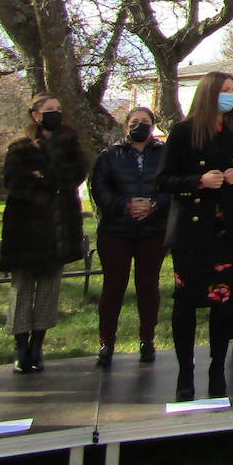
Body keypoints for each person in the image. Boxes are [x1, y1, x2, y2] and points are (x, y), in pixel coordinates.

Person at [155, 71, 233, 402]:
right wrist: (197, 181)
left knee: (223, 305)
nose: (230, 96)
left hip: (227, 233)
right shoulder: (184, 132)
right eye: (224, 90)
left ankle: (217, 369)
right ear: (209, 93)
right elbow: (163, 179)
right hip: (192, 234)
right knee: (186, 305)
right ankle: (185, 371)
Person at [0, 93, 91, 373]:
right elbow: (15, 182)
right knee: (22, 288)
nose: (56, 113)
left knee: (49, 288)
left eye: (58, 108)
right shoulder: (20, 146)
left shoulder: (72, 142)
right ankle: (20, 345)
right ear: (36, 114)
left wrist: (43, 178)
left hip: (59, 226)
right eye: (50, 109)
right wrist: (48, 184)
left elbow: (75, 175)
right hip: (25, 228)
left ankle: (39, 344)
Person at [91, 106, 170, 367]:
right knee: (113, 287)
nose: (139, 125)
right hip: (116, 231)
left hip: (153, 230)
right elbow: (100, 189)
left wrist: (154, 204)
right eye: (134, 121)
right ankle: (106, 342)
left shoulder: (164, 154)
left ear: (153, 125)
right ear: (126, 126)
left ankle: (147, 340)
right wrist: (125, 205)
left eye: (145, 121)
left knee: (148, 286)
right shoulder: (110, 155)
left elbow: (173, 186)